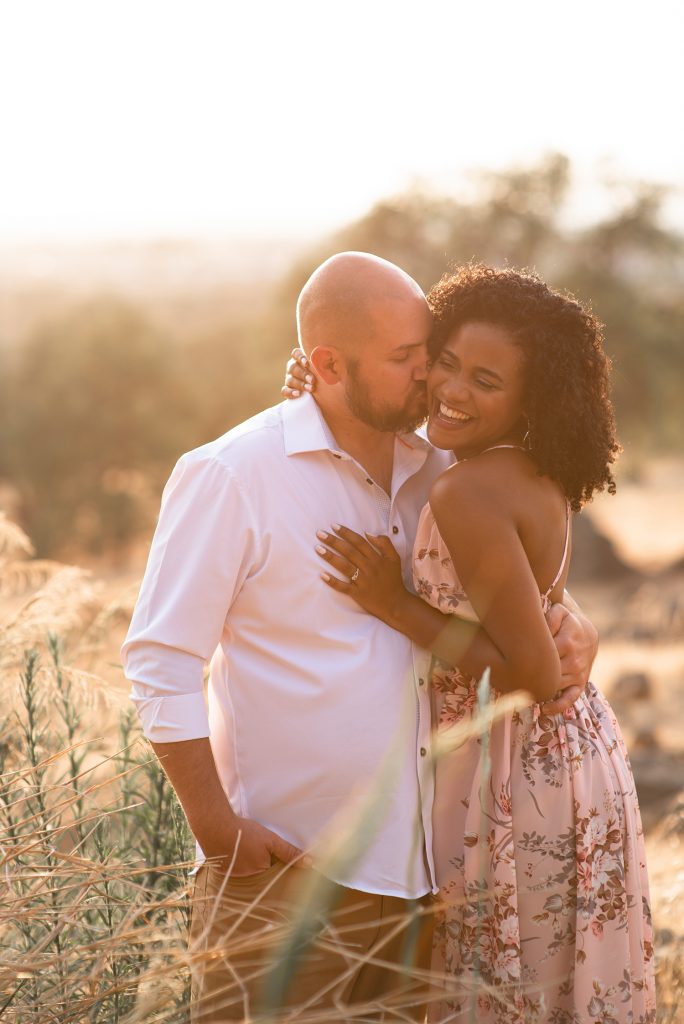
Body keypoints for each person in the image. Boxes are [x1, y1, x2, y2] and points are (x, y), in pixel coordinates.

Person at [122, 252, 597, 1023]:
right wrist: (217, 831)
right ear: (329, 365)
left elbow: (518, 603)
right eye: (409, 359)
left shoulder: (444, 464)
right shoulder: (234, 475)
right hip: (288, 874)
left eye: (430, 352)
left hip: (431, 883)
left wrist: (581, 629)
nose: (431, 379)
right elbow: (160, 660)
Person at [290, 264, 655, 1023]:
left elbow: (528, 669)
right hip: (570, 754)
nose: (453, 389)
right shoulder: (519, 470)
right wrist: (313, 390)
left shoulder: (467, 491)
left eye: (486, 379)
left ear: (530, 399)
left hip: (518, 769)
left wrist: (393, 603)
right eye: (445, 362)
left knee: (503, 991)